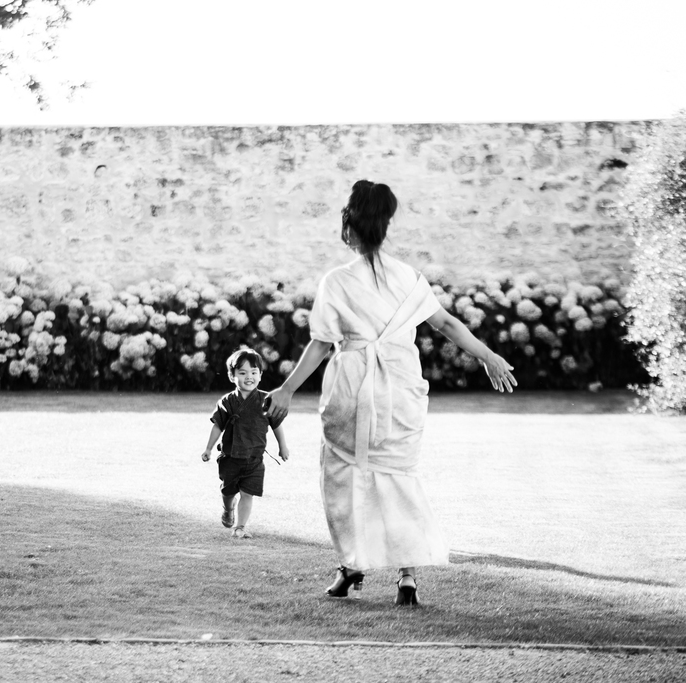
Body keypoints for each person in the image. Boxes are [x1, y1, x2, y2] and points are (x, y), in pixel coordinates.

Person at [266, 179, 516, 605]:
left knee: (344, 477)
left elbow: (321, 344)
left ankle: (351, 567)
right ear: (386, 225)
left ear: (349, 226)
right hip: (399, 389)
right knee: (399, 478)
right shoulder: (409, 277)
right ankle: (407, 577)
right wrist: (489, 355)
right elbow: (447, 324)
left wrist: (287, 390)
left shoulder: (337, 281)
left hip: (354, 387)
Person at [202, 347, 290, 539]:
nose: (248, 376)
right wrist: (208, 448)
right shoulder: (227, 401)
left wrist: (282, 446)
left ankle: (240, 527)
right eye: (242, 373)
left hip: (254, 458)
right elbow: (217, 425)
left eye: (253, 372)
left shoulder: (267, 400)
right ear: (232, 376)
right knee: (228, 492)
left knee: (247, 493)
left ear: (260, 374)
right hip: (231, 457)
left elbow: (276, 424)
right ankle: (227, 508)